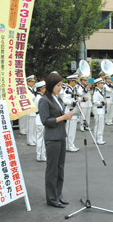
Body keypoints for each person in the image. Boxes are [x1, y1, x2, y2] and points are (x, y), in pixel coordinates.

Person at [38, 73, 74, 208]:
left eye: (61, 85)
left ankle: (59, 195)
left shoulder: (57, 98)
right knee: (52, 169)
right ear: (51, 85)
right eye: (58, 85)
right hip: (52, 138)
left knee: (60, 168)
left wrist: (66, 116)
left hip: (61, 136)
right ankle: (52, 198)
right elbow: (45, 121)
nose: (60, 88)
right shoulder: (44, 100)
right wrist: (63, 117)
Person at [62, 75, 81, 152]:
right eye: (75, 81)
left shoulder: (73, 89)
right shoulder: (67, 89)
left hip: (74, 110)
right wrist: (74, 103)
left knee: (73, 129)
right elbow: (65, 100)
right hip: (70, 110)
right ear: (71, 81)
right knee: (70, 129)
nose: (76, 82)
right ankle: (69, 146)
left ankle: (71, 144)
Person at [34, 81, 47, 161]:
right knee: (41, 138)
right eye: (45, 88)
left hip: (39, 117)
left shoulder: (39, 97)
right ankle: (41, 156)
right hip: (40, 117)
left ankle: (40, 154)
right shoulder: (40, 98)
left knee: (40, 137)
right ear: (41, 89)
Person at [92, 78, 107, 145]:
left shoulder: (100, 91)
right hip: (98, 110)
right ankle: (97, 139)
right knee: (98, 125)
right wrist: (103, 102)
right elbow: (95, 102)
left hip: (101, 110)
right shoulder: (96, 92)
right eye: (101, 83)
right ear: (97, 84)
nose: (102, 84)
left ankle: (99, 138)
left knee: (101, 125)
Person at [26, 75, 37, 146]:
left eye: (33, 82)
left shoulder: (33, 89)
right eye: (31, 82)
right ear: (28, 82)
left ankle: (33, 139)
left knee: (34, 126)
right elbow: (31, 98)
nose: (33, 83)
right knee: (30, 126)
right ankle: (30, 140)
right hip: (30, 110)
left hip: (34, 110)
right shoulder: (26, 90)